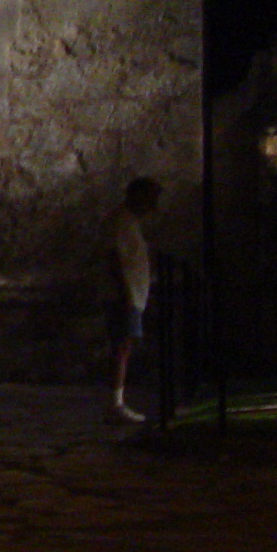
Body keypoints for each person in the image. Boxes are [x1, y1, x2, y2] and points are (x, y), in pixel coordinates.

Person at [105, 177, 162, 425]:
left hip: (131, 294)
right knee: (122, 347)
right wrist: (126, 294)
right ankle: (115, 403)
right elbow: (116, 260)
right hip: (125, 296)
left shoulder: (129, 223)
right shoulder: (122, 223)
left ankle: (117, 400)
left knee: (124, 347)